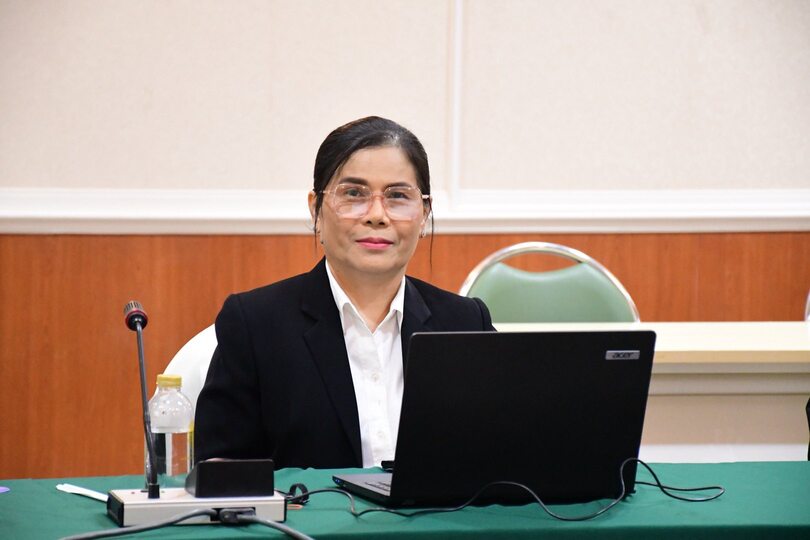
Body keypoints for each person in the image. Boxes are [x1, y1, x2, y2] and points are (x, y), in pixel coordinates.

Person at [195, 116, 495, 470]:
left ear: (424, 214)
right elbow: (222, 474)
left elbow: (501, 457)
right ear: (316, 210)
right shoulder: (255, 324)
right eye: (354, 194)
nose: (377, 215)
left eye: (398, 196)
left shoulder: (465, 322)